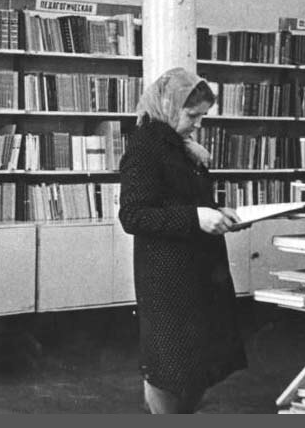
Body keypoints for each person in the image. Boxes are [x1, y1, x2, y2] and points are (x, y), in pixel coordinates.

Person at [118, 67, 247, 414]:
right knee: (169, 370)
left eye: (202, 116)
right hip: (168, 282)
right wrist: (196, 218)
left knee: (194, 368)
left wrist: (217, 212)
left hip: (194, 275)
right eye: (192, 115)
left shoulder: (182, 147)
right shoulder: (145, 148)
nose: (198, 124)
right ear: (168, 106)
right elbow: (133, 216)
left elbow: (184, 200)